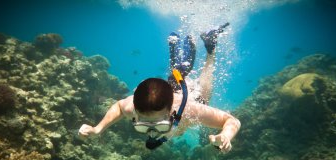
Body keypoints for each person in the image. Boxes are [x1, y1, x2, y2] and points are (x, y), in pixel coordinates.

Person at [78, 23, 241, 153]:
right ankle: (178, 53)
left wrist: (225, 135)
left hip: (187, 97)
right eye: (143, 123)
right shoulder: (131, 108)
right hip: (165, 93)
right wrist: (97, 129)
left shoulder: (189, 110)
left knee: (204, 97)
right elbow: (119, 107)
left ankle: (210, 49)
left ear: (171, 111)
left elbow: (231, 120)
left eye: (159, 123)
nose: (152, 131)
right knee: (176, 77)